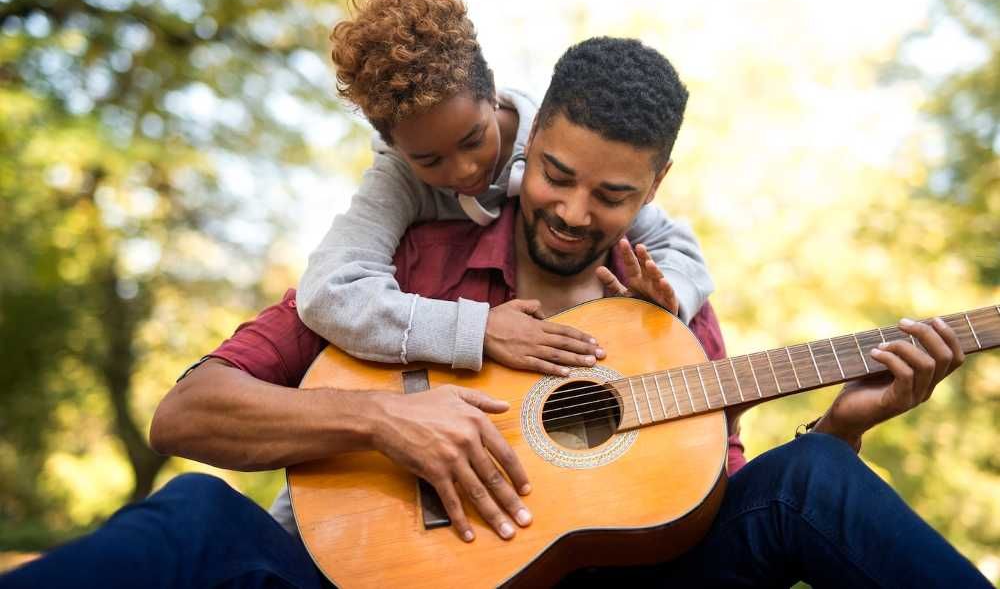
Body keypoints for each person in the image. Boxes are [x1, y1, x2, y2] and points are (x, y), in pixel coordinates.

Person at [1, 38, 987, 588]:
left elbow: (708, 511)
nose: (572, 209)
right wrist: (383, 415)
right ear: (528, 145)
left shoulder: (669, 312)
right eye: (555, 175)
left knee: (809, 477)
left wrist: (843, 428)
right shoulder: (401, 265)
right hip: (372, 581)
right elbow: (186, 415)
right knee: (195, 518)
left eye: (611, 195)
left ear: (653, 185)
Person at [295, 0, 715, 378]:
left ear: (493, 93)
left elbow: (676, 250)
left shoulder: (564, 145)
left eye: (474, 139)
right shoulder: (398, 177)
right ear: (397, 147)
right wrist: (473, 331)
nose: (463, 170)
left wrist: (662, 307)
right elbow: (329, 291)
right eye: (429, 159)